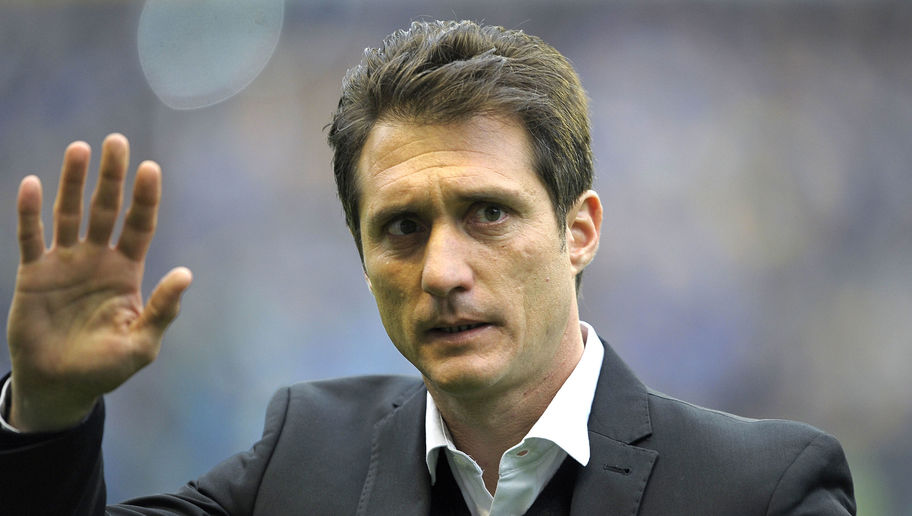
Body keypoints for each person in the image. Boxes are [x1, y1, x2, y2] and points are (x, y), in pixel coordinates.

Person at [1, 20, 855, 515]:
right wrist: (47, 413)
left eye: (489, 213)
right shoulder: (305, 455)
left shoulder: (758, 490)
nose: (443, 270)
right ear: (362, 256)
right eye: (403, 228)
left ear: (579, 231)